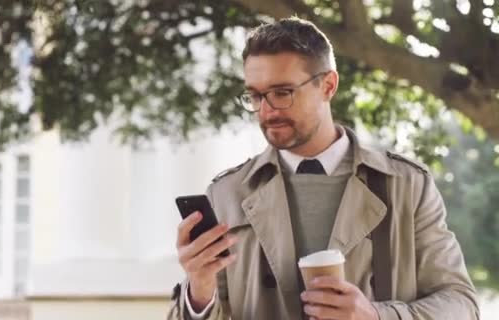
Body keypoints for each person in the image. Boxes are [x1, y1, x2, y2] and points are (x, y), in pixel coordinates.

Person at [167, 16, 479, 320]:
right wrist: (199, 291)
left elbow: (461, 305)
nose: (266, 111)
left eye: (282, 93)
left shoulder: (406, 184)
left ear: (328, 85)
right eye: (255, 95)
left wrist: (376, 316)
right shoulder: (226, 194)